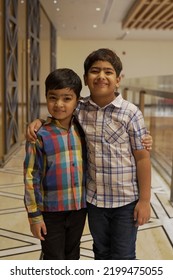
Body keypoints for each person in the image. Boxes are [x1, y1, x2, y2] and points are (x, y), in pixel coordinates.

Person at [26, 48, 152, 260]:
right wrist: (39, 121)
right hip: (94, 202)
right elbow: (60, 108)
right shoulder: (80, 108)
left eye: (108, 72)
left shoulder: (131, 113)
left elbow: (142, 158)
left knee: (123, 256)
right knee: (100, 252)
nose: (101, 76)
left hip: (126, 201)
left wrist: (145, 200)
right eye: (95, 71)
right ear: (86, 78)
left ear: (118, 79)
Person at [24, 68, 87, 260]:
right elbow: (30, 176)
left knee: (72, 254)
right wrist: (34, 216)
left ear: (77, 101)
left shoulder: (83, 129)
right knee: (53, 257)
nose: (59, 104)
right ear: (46, 97)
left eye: (67, 98)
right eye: (53, 98)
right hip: (51, 211)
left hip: (79, 208)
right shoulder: (39, 135)